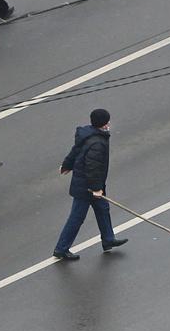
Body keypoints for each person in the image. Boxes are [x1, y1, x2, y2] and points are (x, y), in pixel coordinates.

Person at [53, 107, 125, 260]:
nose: (109, 124)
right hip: (86, 188)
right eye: (107, 122)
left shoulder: (88, 134)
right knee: (77, 218)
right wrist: (96, 189)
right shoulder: (98, 143)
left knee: (103, 208)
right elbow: (93, 168)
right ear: (103, 124)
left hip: (88, 185)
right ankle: (61, 249)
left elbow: (75, 150)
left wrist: (67, 165)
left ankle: (108, 239)